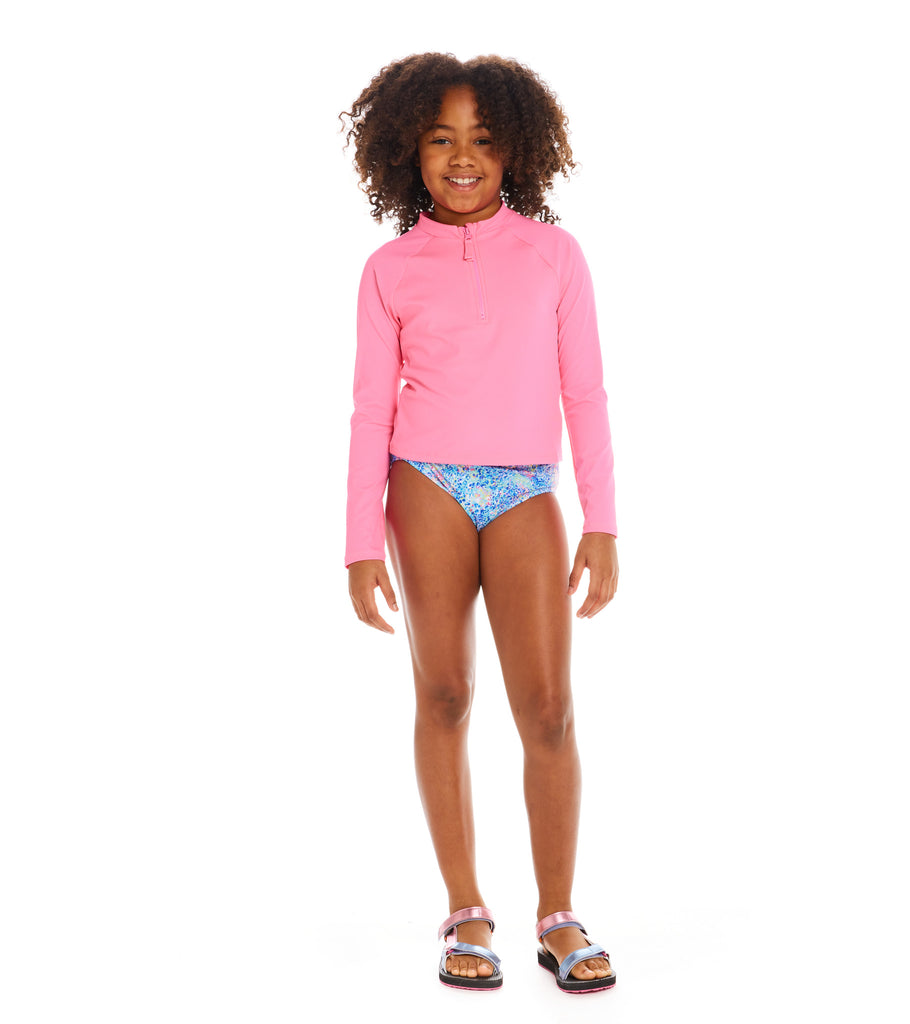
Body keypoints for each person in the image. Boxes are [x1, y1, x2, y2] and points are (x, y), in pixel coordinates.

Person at [341, 53, 618, 994]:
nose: (462, 158)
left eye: (483, 139)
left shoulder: (554, 256)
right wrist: (359, 544)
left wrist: (603, 521)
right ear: (407, 151)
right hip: (425, 484)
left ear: (516, 150)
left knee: (547, 707)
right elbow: (369, 413)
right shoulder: (388, 271)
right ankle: (465, 909)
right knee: (446, 695)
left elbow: (586, 393)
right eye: (440, 139)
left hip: (527, 490)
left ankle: (558, 916)